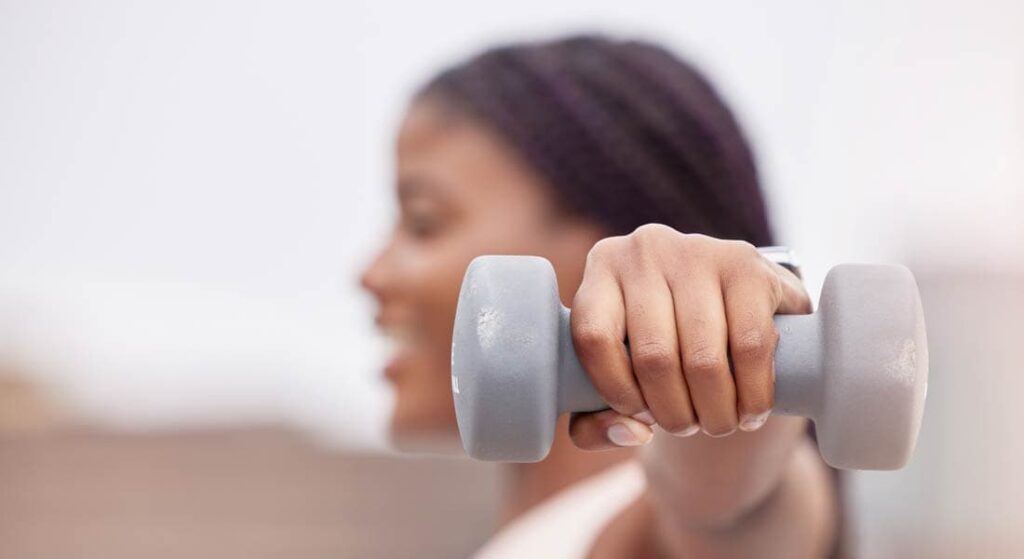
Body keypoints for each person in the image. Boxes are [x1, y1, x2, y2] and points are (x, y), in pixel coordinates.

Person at [361, 35, 843, 558]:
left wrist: (734, 359)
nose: (371, 274)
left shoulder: (662, 527)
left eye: (424, 222)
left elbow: (731, 506)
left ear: (611, 246)